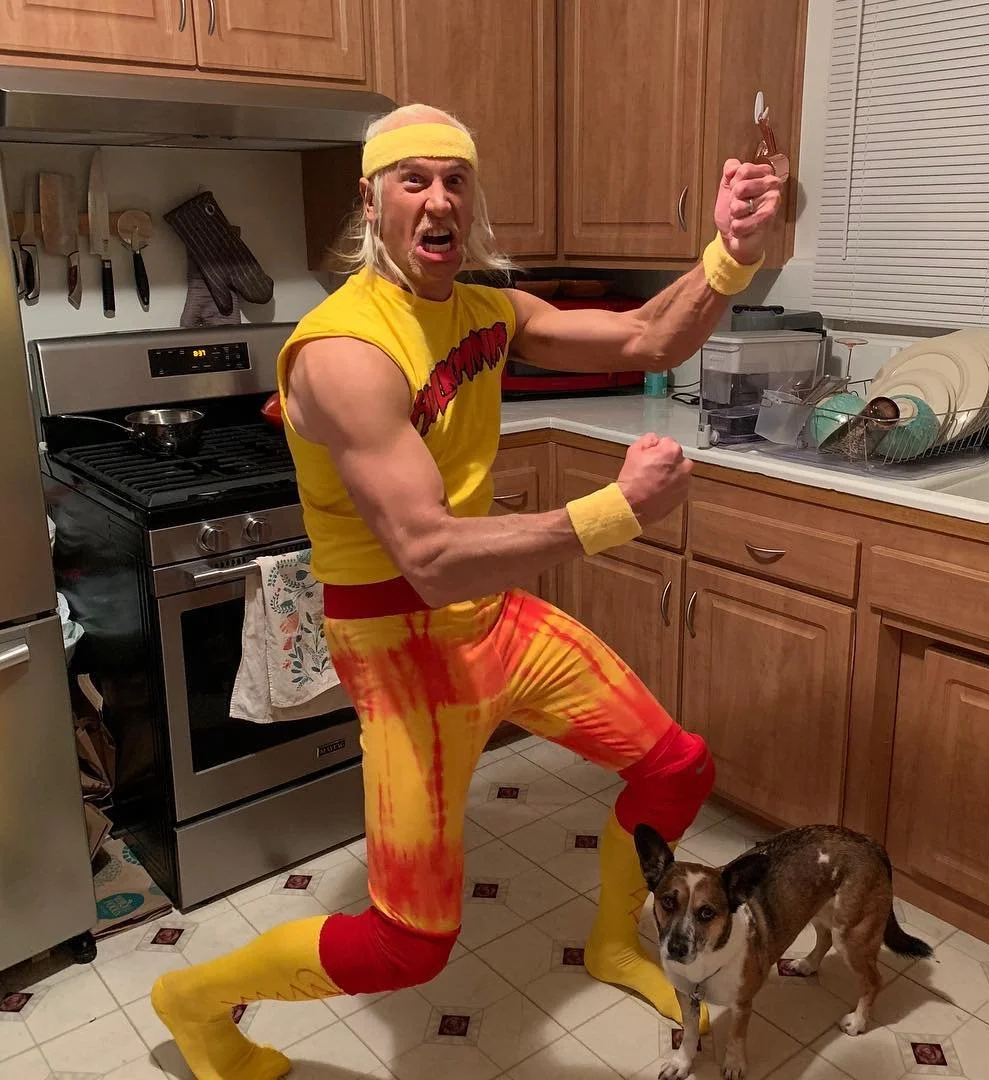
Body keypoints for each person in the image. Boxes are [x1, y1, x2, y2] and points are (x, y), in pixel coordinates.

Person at [152, 103, 783, 1080]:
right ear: (372, 201)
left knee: (677, 770)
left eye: (455, 179)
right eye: (413, 179)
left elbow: (648, 337)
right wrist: (616, 510)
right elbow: (430, 554)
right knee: (409, 946)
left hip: (493, 620)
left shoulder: (486, 311)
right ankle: (193, 1002)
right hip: (399, 646)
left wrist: (730, 254)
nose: (438, 199)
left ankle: (614, 941)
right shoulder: (344, 351)